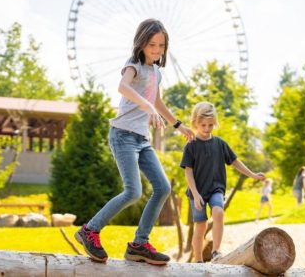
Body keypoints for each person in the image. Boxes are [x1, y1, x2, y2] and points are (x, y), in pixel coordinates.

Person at [75, 19, 195, 265]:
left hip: (142, 140)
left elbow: (158, 102)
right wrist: (146, 104)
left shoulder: (156, 73)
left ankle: (139, 244)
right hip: (122, 135)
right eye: (152, 44)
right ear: (141, 43)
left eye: (161, 45)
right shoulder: (134, 66)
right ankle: (89, 230)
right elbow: (123, 87)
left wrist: (178, 124)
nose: (157, 50)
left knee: (163, 188)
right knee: (133, 191)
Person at [180, 102, 266, 263]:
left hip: (215, 189)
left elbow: (235, 162)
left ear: (215, 123)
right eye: (203, 125)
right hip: (196, 192)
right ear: (195, 123)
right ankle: (198, 260)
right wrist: (196, 194)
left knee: (218, 212)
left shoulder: (220, 144)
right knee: (201, 226)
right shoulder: (191, 146)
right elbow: (188, 172)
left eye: (211, 125)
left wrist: (253, 175)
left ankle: (216, 251)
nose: (207, 128)